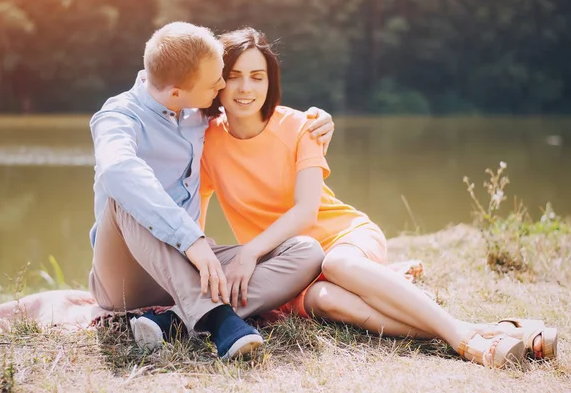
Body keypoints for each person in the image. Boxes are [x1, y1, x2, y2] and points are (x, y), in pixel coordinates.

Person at [197, 27, 558, 368]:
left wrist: (249, 252)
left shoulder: (300, 126)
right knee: (326, 301)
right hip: (290, 267)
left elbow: (307, 212)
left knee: (336, 265)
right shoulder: (205, 142)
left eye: (257, 76)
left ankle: (462, 336)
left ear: (270, 82)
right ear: (218, 80)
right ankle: (496, 330)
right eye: (234, 75)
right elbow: (194, 218)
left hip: (341, 240)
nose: (245, 87)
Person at [88, 22, 337, 359]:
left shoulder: (196, 111)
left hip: (188, 266)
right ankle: (219, 318)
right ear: (178, 93)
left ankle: (176, 321)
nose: (222, 86)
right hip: (127, 275)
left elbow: (254, 112)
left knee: (305, 251)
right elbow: (118, 169)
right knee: (124, 196)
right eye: (216, 81)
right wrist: (192, 240)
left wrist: (317, 120)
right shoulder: (118, 116)